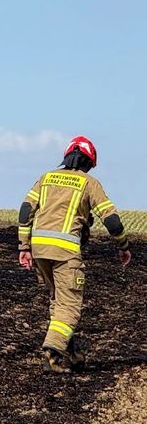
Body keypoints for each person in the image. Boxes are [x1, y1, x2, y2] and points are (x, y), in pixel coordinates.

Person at [17, 135, 131, 373]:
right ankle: (52, 350)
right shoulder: (89, 183)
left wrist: (24, 246)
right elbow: (111, 219)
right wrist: (123, 246)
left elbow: (26, 210)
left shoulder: (45, 178)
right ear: (89, 163)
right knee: (69, 306)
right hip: (66, 252)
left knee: (58, 302)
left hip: (39, 249)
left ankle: (73, 354)